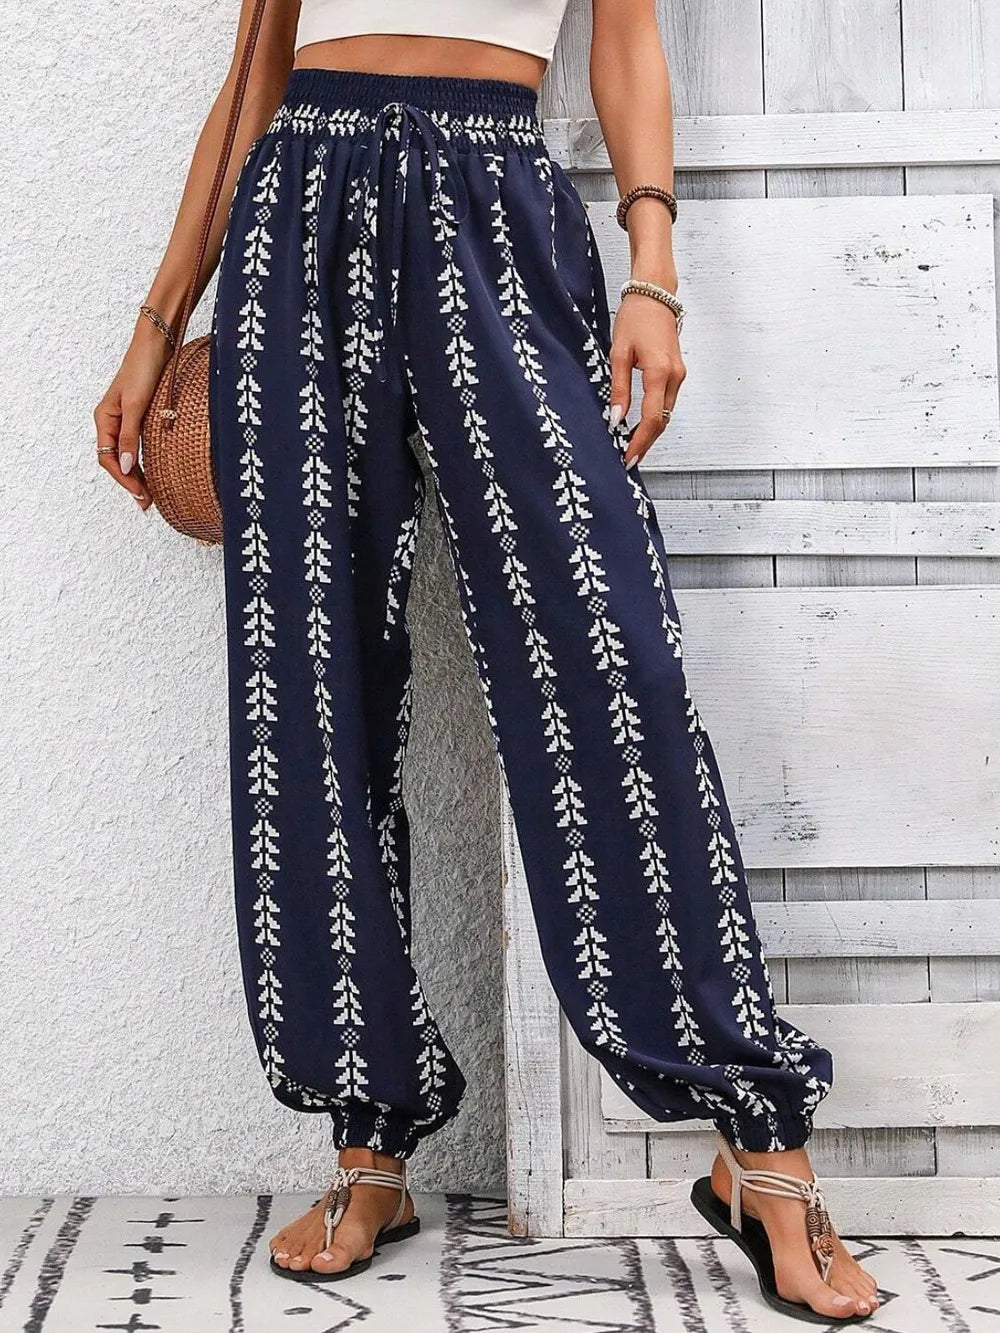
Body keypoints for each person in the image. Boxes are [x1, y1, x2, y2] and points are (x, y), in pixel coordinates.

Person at [93, 0, 881, 1321]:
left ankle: (758, 1140)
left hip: (498, 206)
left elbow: (625, 40)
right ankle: (369, 1140)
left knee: (614, 662)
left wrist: (652, 269)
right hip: (299, 216)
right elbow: (254, 74)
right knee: (313, 687)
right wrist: (157, 320)